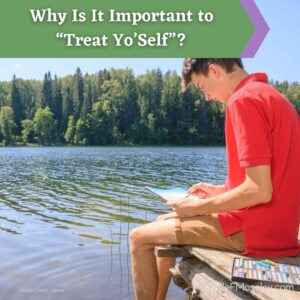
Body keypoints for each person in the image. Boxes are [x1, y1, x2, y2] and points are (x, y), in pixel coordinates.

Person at [130, 58, 300, 300]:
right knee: (161, 219)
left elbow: (260, 191)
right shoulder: (271, 96)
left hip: (256, 233)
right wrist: (220, 190)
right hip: (279, 227)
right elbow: (270, 179)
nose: (207, 97)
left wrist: (196, 207)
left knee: (138, 238)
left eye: (202, 87)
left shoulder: (242, 101)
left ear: (214, 70)